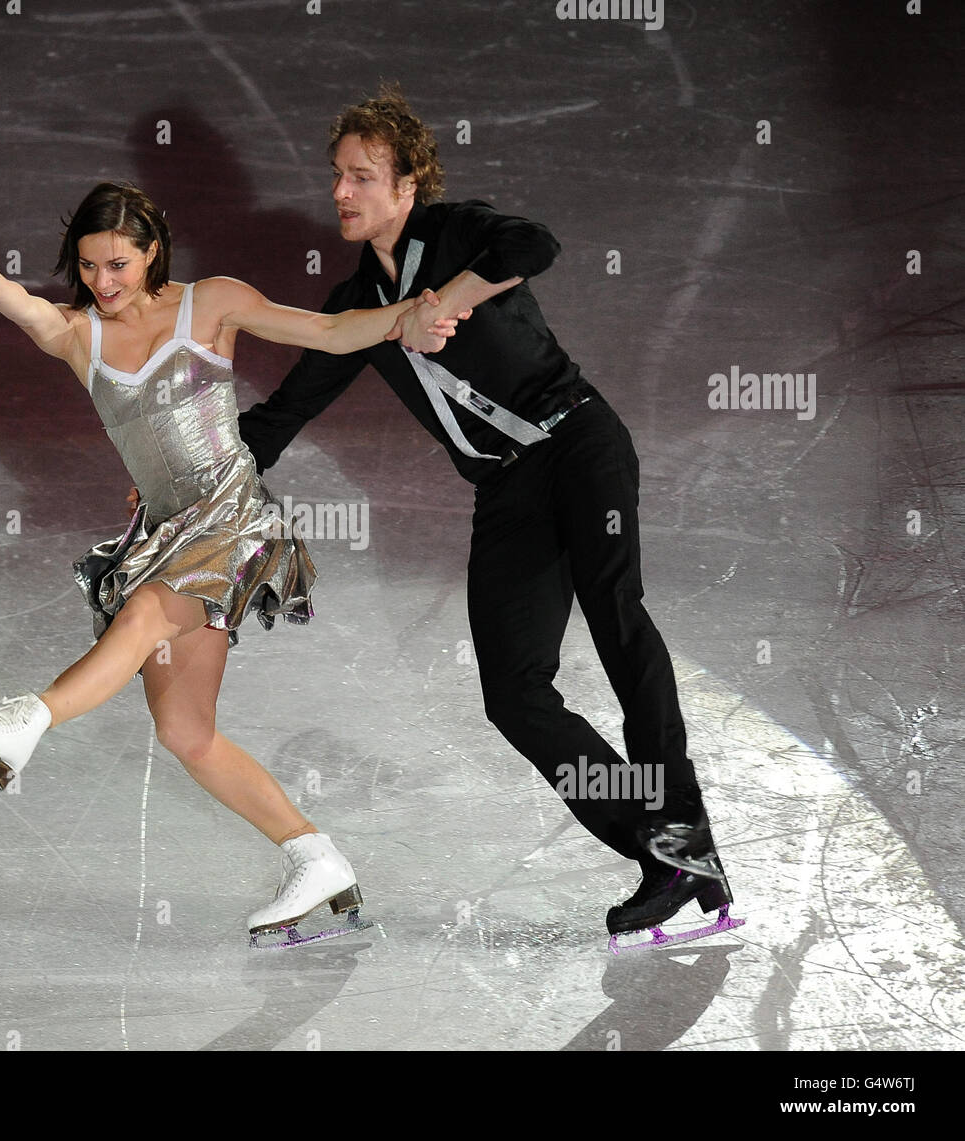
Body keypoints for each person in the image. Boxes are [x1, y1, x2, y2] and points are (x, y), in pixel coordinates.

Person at [237, 86, 737, 945]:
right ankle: (665, 847)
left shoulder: (459, 232)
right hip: (508, 490)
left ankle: (686, 832)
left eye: (363, 177)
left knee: (619, 623)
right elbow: (283, 412)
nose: (343, 194)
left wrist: (447, 300)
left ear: (406, 186)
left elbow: (534, 242)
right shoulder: (355, 310)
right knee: (513, 691)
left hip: (579, 442)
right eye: (336, 177)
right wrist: (187, 473)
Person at [0, 181, 461, 941]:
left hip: (231, 522)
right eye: (86, 268)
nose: (102, 283)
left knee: (149, 610)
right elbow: (37, 313)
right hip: (162, 532)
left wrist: (403, 317)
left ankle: (29, 718)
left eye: (117, 264)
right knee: (186, 731)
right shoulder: (83, 338)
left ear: (152, 252)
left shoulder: (209, 304)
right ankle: (317, 858)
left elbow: (330, 329)